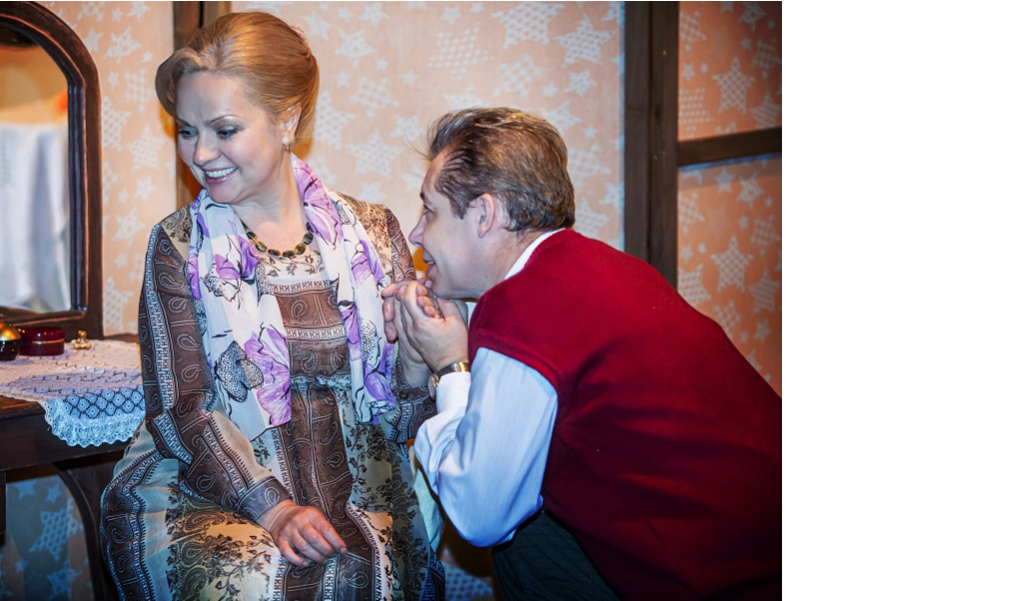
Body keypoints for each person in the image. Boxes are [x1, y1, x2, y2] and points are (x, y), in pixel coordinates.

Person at [100, 12, 445, 600]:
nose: (200, 153)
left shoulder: (373, 234)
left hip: (365, 499)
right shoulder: (178, 244)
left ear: (287, 120)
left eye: (224, 129)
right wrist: (275, 509)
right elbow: (181, 409)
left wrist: (417, 358)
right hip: (207, 496)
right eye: (187, 131)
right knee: (267, 581)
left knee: (361, 572)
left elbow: (404, 420)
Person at [383, 107, 783, 600]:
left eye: (430, 210)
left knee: (516, 535)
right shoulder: (603, 265)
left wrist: (451, 365)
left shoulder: (522, 307)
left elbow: (479, 515)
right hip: (754, 544)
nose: (417, 233)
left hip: (728, 583)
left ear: (484, 215)